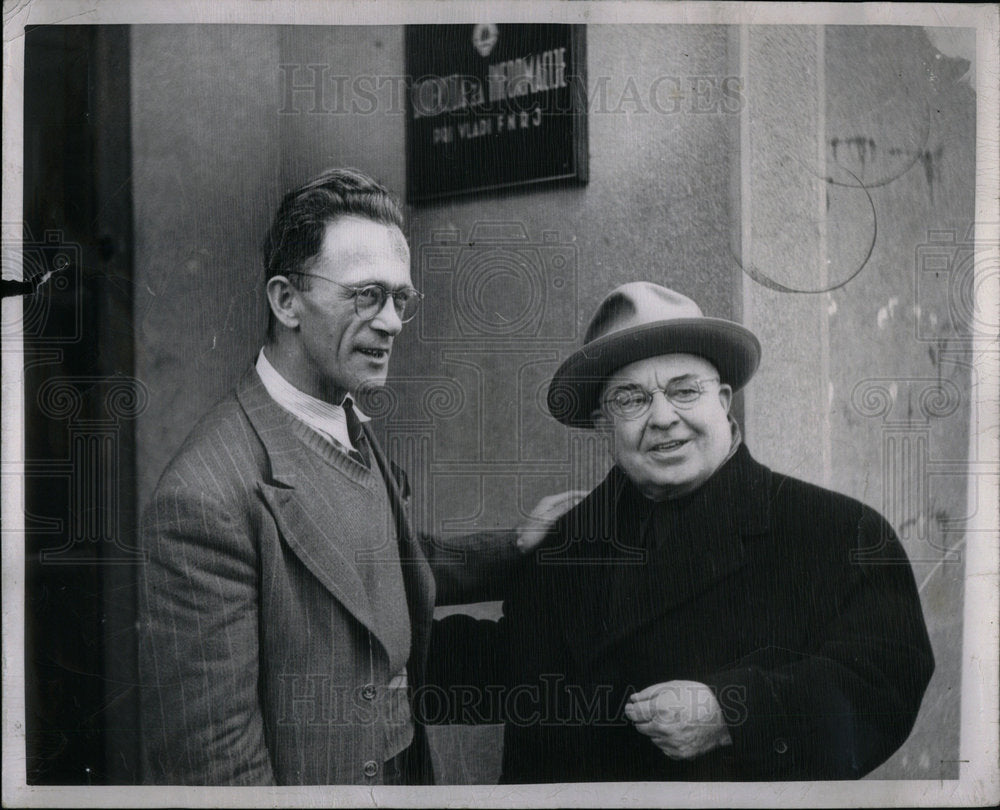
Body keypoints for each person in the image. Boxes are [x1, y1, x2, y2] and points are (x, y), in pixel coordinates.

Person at [137, 168, 567, 785]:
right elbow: (216, 763)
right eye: (366, 295)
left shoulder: (342, 415)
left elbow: (371, 568)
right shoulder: (204, 499)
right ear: (286, 301)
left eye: (401, 299)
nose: (391, 322)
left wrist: (514, 546)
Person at [427, 282, 935, 782]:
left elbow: (883, 683)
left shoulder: (839, 532)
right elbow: (515, 667)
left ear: (724, 399)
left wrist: (731, 712)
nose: (664, 418)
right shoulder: (567, 538)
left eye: (684, 390)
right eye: (631, 398)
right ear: (604, 423)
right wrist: (374, 650)